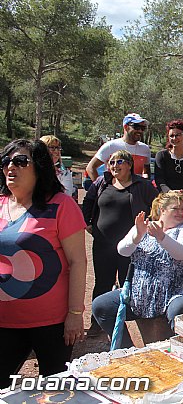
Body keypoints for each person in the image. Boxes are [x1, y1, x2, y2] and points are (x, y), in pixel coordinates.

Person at [0, 139, 87, 388]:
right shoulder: (1, 204)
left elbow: (77, 262)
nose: (10, 168)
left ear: (38, 166)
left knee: (54, 390)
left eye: (20, 161)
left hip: (52, 323)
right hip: (4, 321)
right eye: (6, 162)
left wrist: (75, 314)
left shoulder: (61, 205)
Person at [92, 191, 183, 348]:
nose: (181, 213)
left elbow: (182, 253)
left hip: (175, 291)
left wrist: (161, 237)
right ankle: (127, 348)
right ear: (162, 210)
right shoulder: (143, 227)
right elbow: (122, 250)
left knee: (178, 312)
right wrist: (137, 235)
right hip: (139, 294)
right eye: (175, 209)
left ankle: (177, 351)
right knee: (100, 306)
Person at [82, 150, 158, 334]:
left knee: (128, 283)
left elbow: (157, 206)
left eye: (120, 161)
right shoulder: (102, 182)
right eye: (112, 162)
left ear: (130, 165)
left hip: (132, 246)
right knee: (102, 282)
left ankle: (126, 320)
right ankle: (97, 322)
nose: (115, 165)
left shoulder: (143, 185)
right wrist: (87, 223)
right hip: (103, 244)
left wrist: (150, 227)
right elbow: (88, 201)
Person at [86, 113, 151, 180]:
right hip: (113, 189)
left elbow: (146, 172)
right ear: (126, 127)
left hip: (136, 189)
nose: (140, 131)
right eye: (136, 127)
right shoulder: (110, 146)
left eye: (143, 128)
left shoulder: (145, 149)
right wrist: (99, 187)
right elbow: (90, 168)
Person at [154, 120, 183, 198]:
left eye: (178, 135)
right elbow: (159, 179)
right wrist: (169, 192)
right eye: (171, 136)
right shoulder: (161, 155)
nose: (174, 138)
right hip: (165, 198)